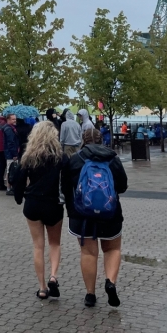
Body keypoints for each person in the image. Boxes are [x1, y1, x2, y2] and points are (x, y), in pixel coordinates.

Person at [62, 128, 128, 308]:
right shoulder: (112, 159)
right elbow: (122, 186)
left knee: (88, 253)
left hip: (82, 216)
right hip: (111, 213)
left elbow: (66, 188)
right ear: (101, 140)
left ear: (83, 140)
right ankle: (110, 282)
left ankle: (90, 294)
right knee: (112, 249)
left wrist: (71, 211)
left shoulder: (75, 160)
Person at [12, 121, 65, 301]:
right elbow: (67, 181)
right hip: (53, 204)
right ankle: (53, 276)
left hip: (33, 203)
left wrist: (19, 198)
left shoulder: (29, 157)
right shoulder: (60, 157)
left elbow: (18, 180)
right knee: (55, 244)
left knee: (37, 246)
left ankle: (42, 287)